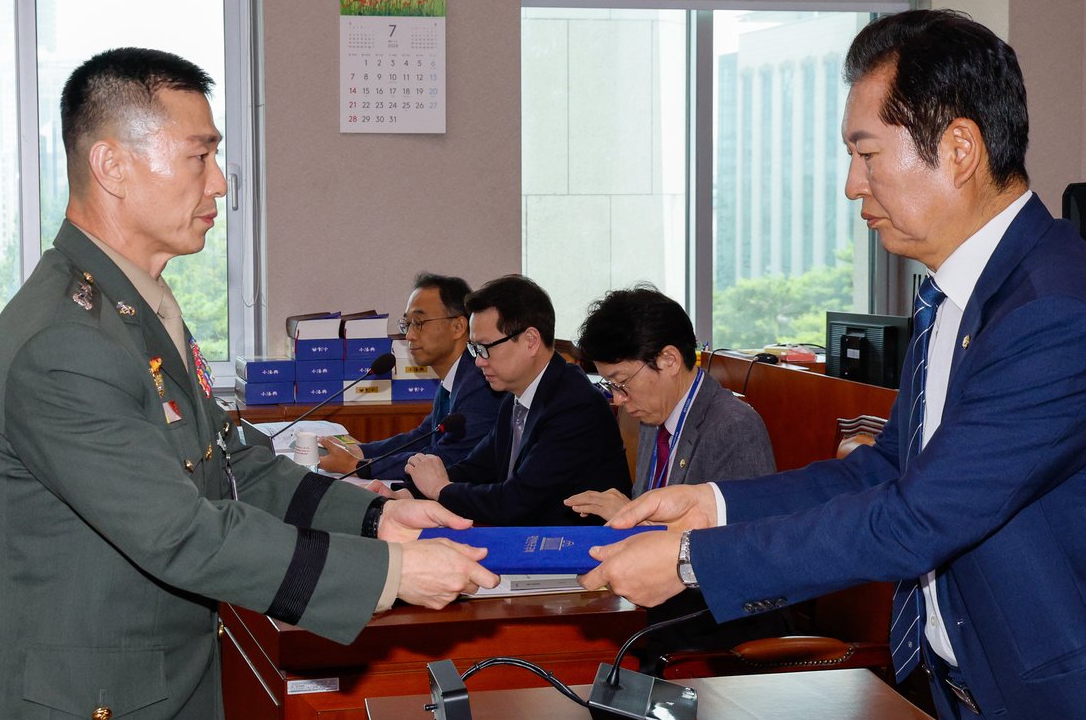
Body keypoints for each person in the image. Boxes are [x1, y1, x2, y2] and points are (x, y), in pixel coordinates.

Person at [582, 11, 1086, 720]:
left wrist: (693, 560)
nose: (851, 185)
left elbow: (919, 519)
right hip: (988, 716)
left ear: (961, 149)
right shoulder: (953, 302)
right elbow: (889, 471)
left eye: (866, 154)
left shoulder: (1061, 310)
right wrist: (715, 506)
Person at [0, 48, 497, 720]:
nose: (221, 184)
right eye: (200, 154)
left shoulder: (137, 310)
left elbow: (231, 459)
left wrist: (377, 514)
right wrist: (386, 570)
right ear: (113, 164)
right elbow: (182, 532)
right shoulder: (66, 339)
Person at [565, 286, 784, 665]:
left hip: (720, 623)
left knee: (591, 652)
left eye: (621, 382)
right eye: (609, 385)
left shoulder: (732, 426)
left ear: (668, 359)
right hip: (672, 606)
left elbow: (746, 561)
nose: (617, 399)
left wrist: (638, 517)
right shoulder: (653, 418)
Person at [404, 274, 631, 525]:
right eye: (474, 349)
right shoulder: (517, 396)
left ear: (531, 341)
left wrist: (439, 490)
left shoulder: (574, 404)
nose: (478, 361)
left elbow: (514, 502)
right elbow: (476, 469)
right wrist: (406, 494)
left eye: (485, 348)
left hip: (576, 551)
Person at [317, 272, 501, 481]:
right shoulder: (456, 377)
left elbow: (446, 458)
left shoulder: (480, 381)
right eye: (407, 324)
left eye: (419, 322)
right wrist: (361, 452)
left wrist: (358, 466)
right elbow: (422, 437)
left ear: (458, 327)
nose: (409, 336)